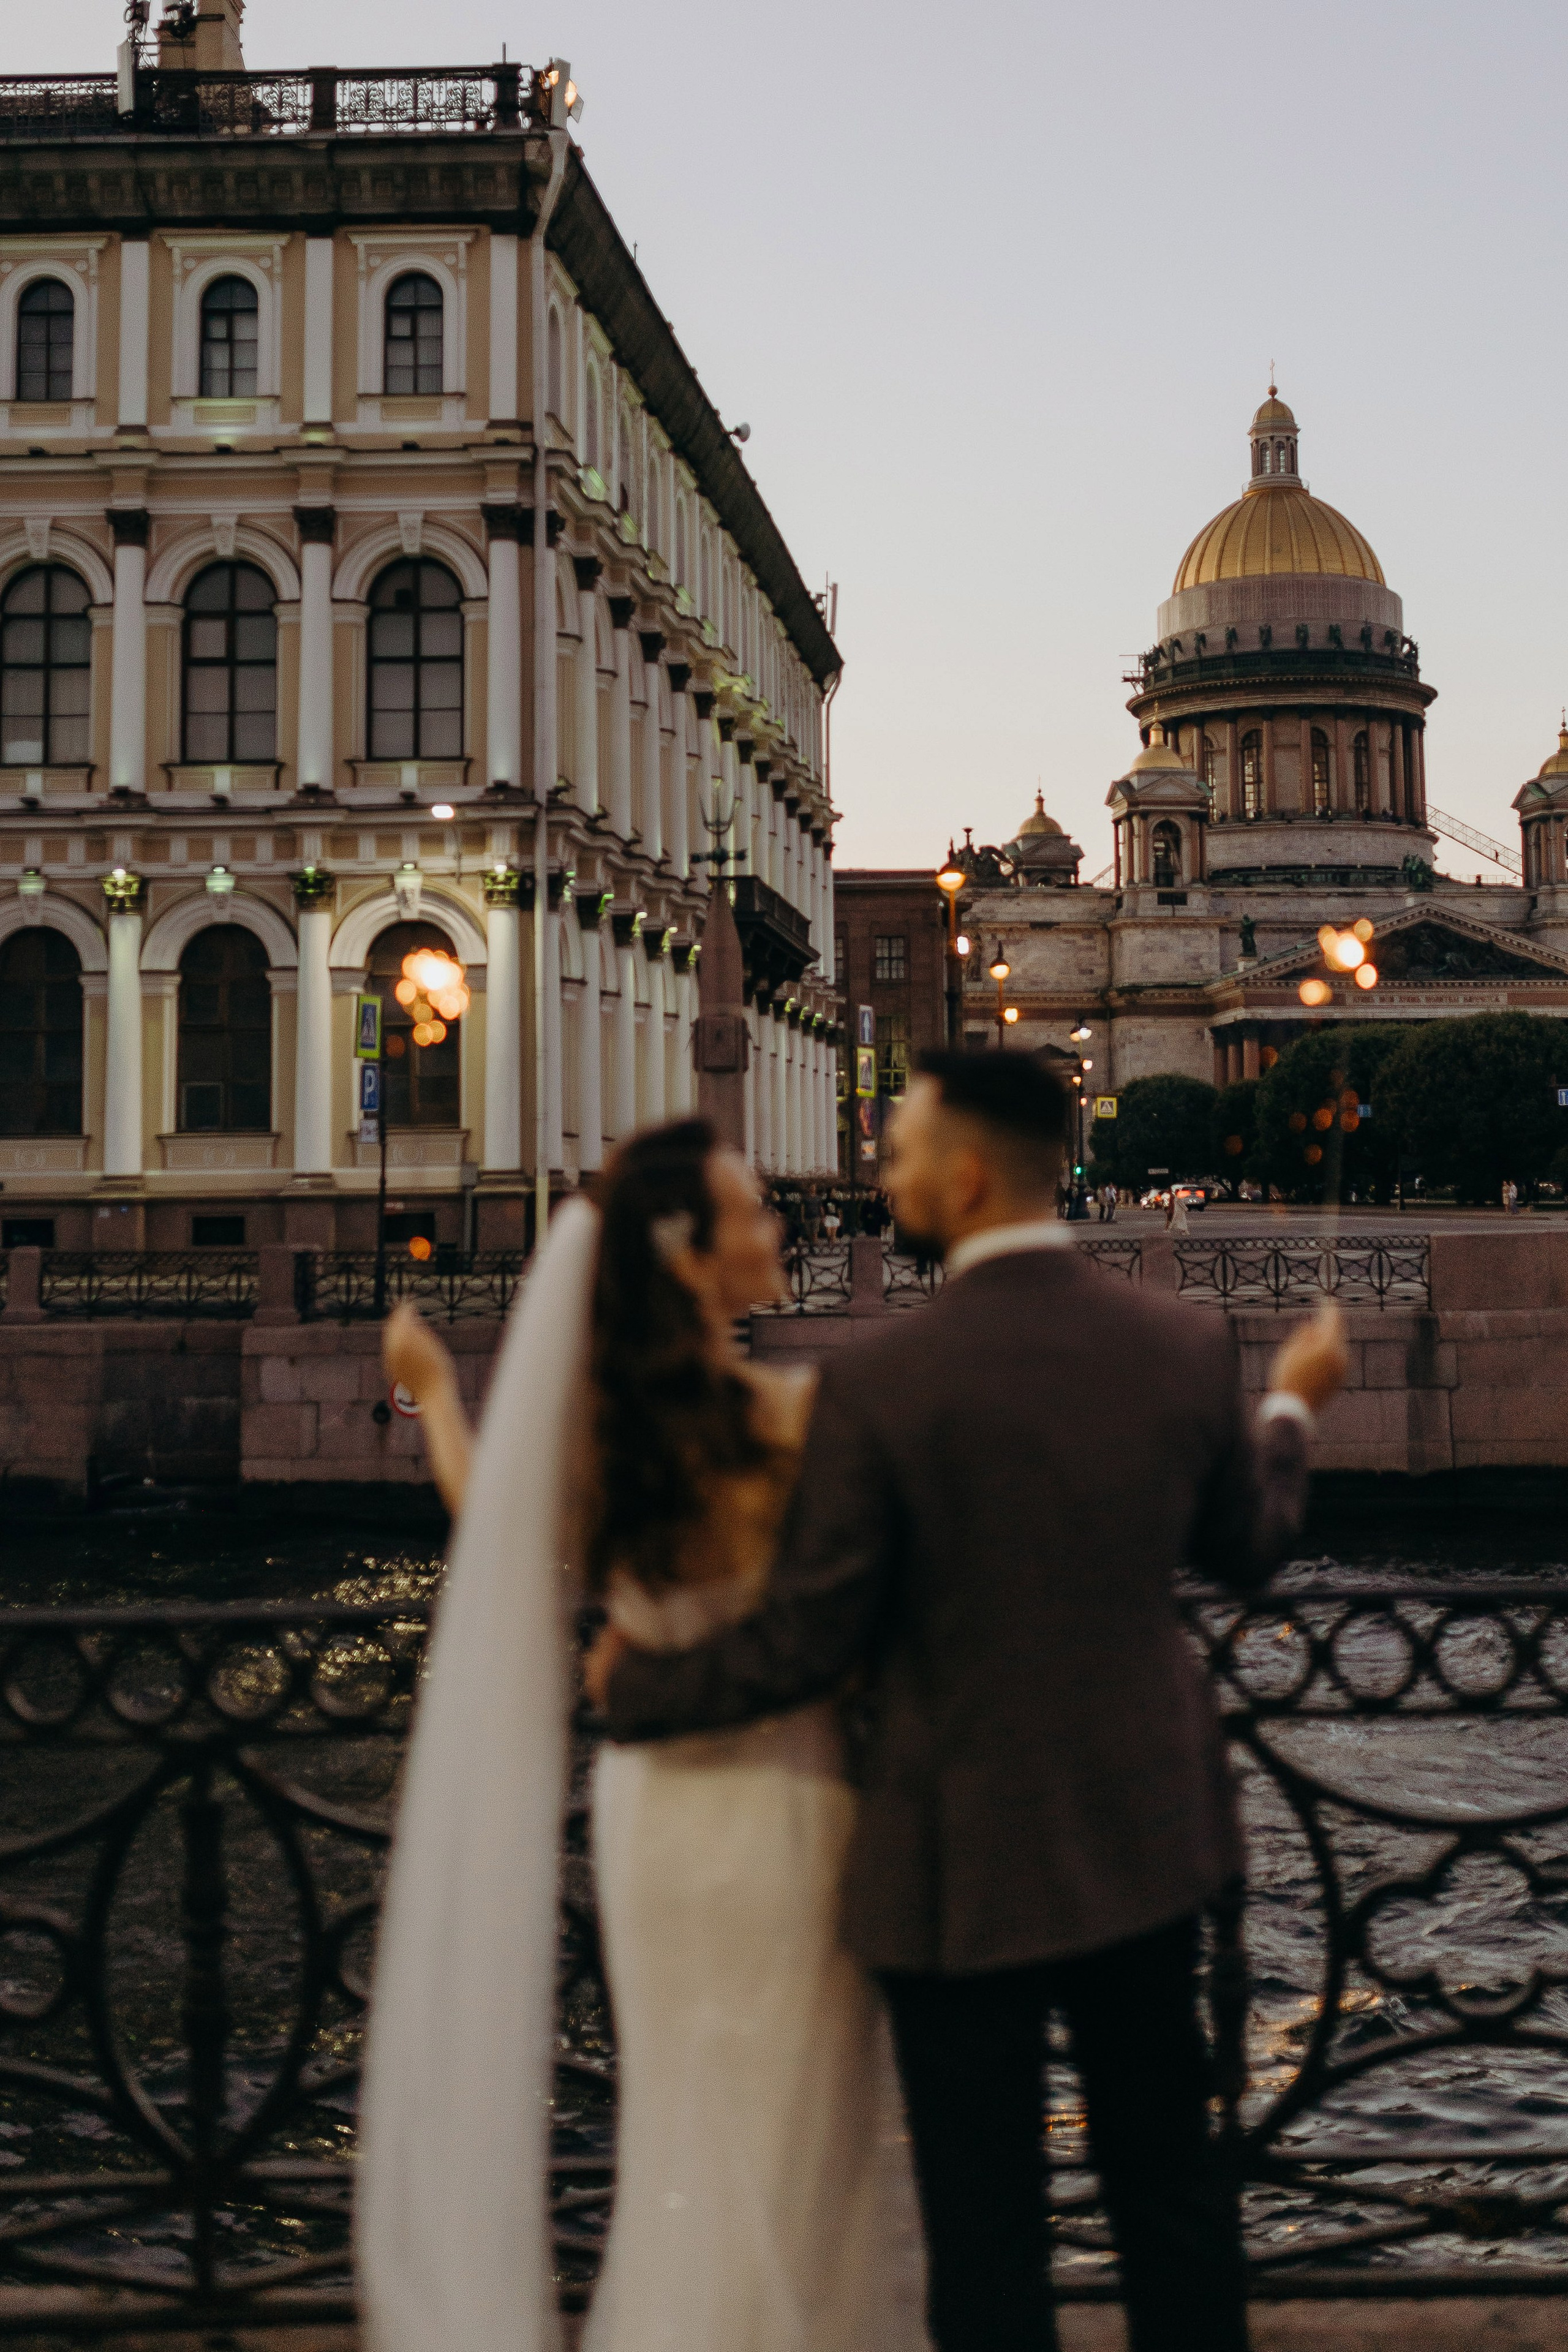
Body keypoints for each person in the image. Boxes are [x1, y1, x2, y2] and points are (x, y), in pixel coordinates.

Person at [590, 1052, 1347, 2352]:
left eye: (900, 1149)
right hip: (1144, 1840)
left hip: (949, 1865)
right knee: (1169, 2195)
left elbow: (805, 1639)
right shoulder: (1178, 1341)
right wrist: (1290, 1403)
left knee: (983, 2235)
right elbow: (1247, 1549)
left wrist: (637, 1688)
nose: (880, 1169)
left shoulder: (881, 1382)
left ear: (970, 1172)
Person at [358, 1119, 927, 2352]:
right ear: (688, 1256)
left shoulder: (600, 1433)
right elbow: (864, 1600)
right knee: (795, 2128)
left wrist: (439, 1394)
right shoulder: (786, 1420)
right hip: (781, 1796)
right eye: (752, 1213)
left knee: (688, 2115)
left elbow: (494, 1516)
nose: (778, 1227)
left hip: (654, 1812)